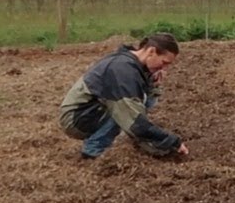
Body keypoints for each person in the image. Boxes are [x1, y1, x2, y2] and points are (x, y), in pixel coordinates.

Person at [58, 33, 188, 159]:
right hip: (76, 118)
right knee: (123, 112)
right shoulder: (123, 70)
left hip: (89, 112)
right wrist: (171, 142)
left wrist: (153, 84)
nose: (164, 69)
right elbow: (135, 122)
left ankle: (102, 143)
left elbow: (145, 104)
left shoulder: (135, 65)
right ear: (151, 51)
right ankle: (93, 150)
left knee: (131, 108)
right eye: (164, 62)